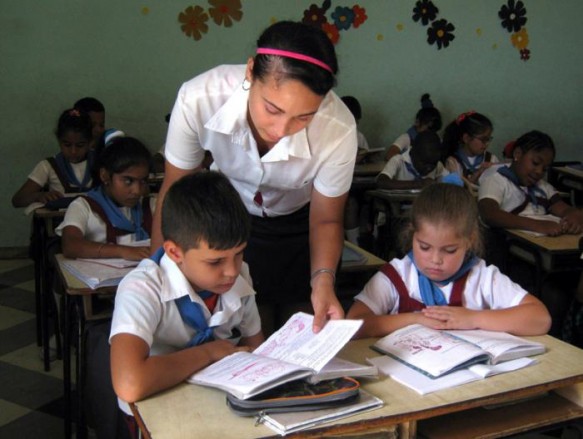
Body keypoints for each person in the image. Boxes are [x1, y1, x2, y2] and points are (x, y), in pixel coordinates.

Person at [152, 20, 358, 333]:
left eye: (303, 117)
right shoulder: (199, 98)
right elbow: (176, 194)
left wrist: (323, 280)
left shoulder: (337, 128)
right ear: (251, 71)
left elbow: (326, 220)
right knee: (243, 332)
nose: (280, 131)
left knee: (301, 330)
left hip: (302, 228)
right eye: (272, 109)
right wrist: (159, 275)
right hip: (229, 227)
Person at [110, 171, 264, 434]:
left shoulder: (239, 277)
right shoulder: (143, 288)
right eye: (215, 261)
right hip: (154, 414)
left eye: (238, 254)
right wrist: (209, 353)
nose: (232, 271)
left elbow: (256, 346)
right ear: (174, 252)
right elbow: (129, 382)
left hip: (216, 404)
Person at [346, 183, 551, 338]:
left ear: (469, 241)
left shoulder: (482, 277)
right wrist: (416, 319)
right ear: (412, 235)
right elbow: (353, 325)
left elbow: (540, 318)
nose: (435, 260)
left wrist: (472, 318)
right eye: (424, 247)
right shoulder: (396, 276)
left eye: (450, 250)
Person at [55, 136, 154, 260]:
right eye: (128, 181)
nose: (137, 190)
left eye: (143, 181)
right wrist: (122, 251)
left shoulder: (150, 205)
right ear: (105, 176)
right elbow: (70, 246)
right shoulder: (83, 206)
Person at [478, 130, 583, 237]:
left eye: (545, 169)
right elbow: (489, 214)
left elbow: (563, 208)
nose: (539, 172)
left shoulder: (543, 187)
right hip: (508, 245)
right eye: (535, 163)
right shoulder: (495, 181)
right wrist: (537, 225)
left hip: (544, 245)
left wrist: (573, 215)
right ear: (517, 154)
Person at [12, 108, 94, 208]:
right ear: (59, 140)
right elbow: (18, 200)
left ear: (90, 142)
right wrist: (39, 195)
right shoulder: (48, 166)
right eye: (67, 145)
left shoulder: (101, 163)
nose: (73, 151)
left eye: (80, 145)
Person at [376, 131, 448, 190]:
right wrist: (419, 184)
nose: (429, 168)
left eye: (433, 164)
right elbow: (381, 181)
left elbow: (451, 184)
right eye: (424, 163)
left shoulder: (438, 165)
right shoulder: (398, 161)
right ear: (412, 153)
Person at [443, 111, 498, 186]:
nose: (487, 143)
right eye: (483, 139)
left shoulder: (491, 159)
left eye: (488, 139)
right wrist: (478, 173)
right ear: (466, 138)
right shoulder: (453, 162)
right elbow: (454, 191)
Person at [384, 93, 442, 162]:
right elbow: (390, 155)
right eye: (427, 129)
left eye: (433, 131)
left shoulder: (436, 140)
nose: (429, 134)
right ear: (417, 122)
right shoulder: (406, 138)